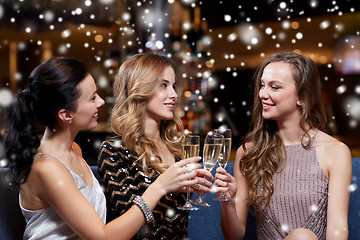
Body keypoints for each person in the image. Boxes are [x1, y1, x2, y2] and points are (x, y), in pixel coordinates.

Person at [4, 56, 207, 240]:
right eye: (92, 98)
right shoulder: (47, 168)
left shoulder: (74, 150)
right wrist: (160, 186)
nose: (101, 102)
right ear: (66, 115)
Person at [215, 52, 352, 240]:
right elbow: (234, 236)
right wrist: (227, 202)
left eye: (275, 87)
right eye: (262, 85)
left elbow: (338, 230)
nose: (263, 94)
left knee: (303, 237)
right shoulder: (249, 152)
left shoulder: (336, 152)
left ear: (302, 97)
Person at [97, 53, 213, 239]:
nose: (174, 95)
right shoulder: (114, 150)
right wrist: (162, 186)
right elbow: (129, 232)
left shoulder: (174, 148)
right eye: (164, 85)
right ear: (140, 88)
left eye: (173, 86)